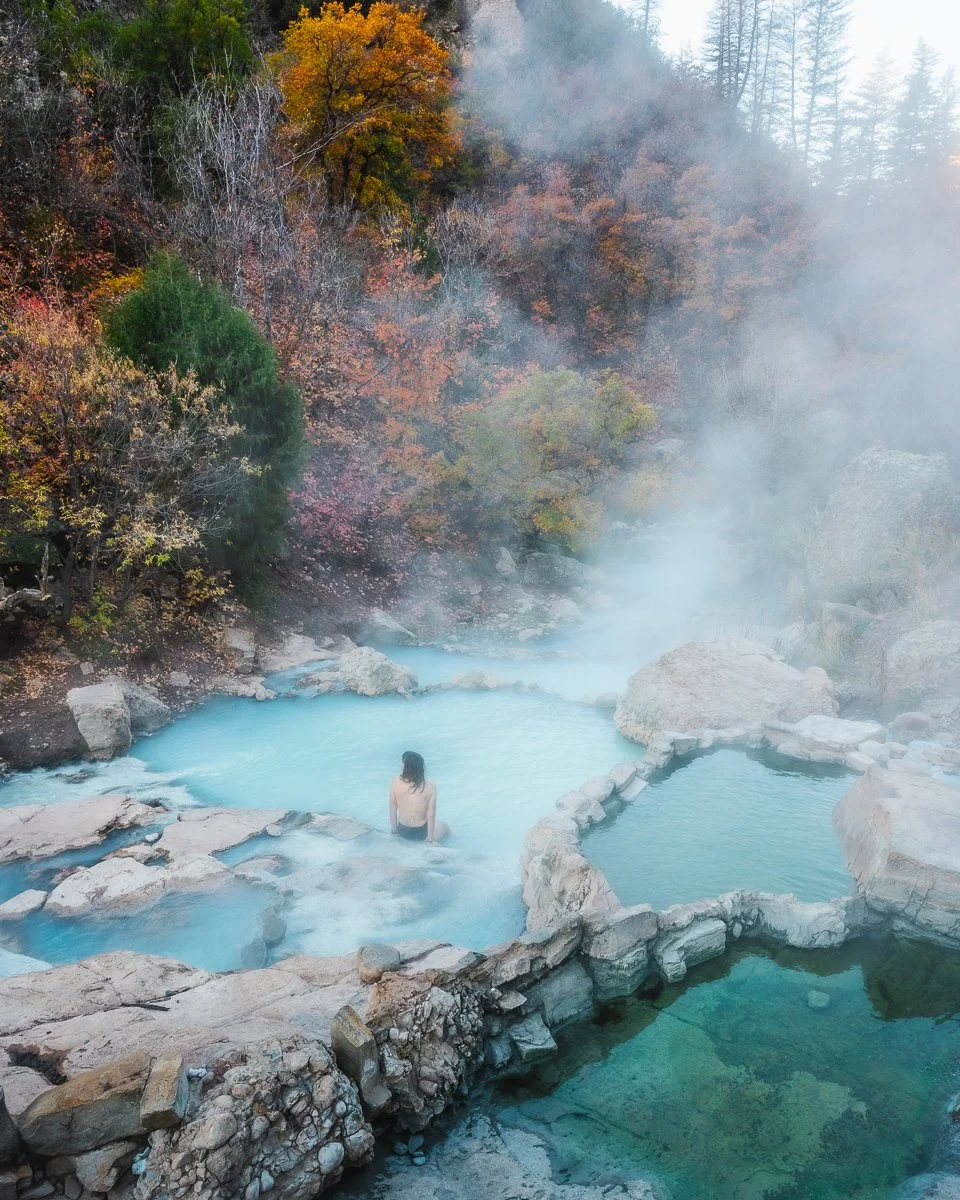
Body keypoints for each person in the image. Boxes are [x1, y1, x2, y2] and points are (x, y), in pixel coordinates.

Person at [389, 751, 449, 843]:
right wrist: (430, 840)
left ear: (406, 766)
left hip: (403, 831)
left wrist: (394, 832)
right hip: (421, 832)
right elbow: (431, 815)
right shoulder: (430, 786)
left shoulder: (395, 781)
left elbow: (393, 807)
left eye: (403, 762)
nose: (401, 764)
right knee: (445, 826)